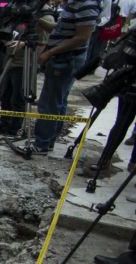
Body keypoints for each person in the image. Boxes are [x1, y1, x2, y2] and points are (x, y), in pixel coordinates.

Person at [25, 0, 102, 156]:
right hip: (62, 58)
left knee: (50, 102)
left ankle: (43, 143)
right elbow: (58, 29)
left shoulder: (86, 4)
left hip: (66, 59)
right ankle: (48, 140)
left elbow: (82, 37)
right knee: (58, 100)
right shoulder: (74, 4)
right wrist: (36, 19)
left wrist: (50, 52)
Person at [0, 5, 56, 137]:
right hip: (10, 59)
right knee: (5, 97)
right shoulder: (19, 12)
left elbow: (42, 44)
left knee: (18, 98)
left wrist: (25, 45)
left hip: (25, 63)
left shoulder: (44, 16)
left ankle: (14, 128)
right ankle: (3, 125)